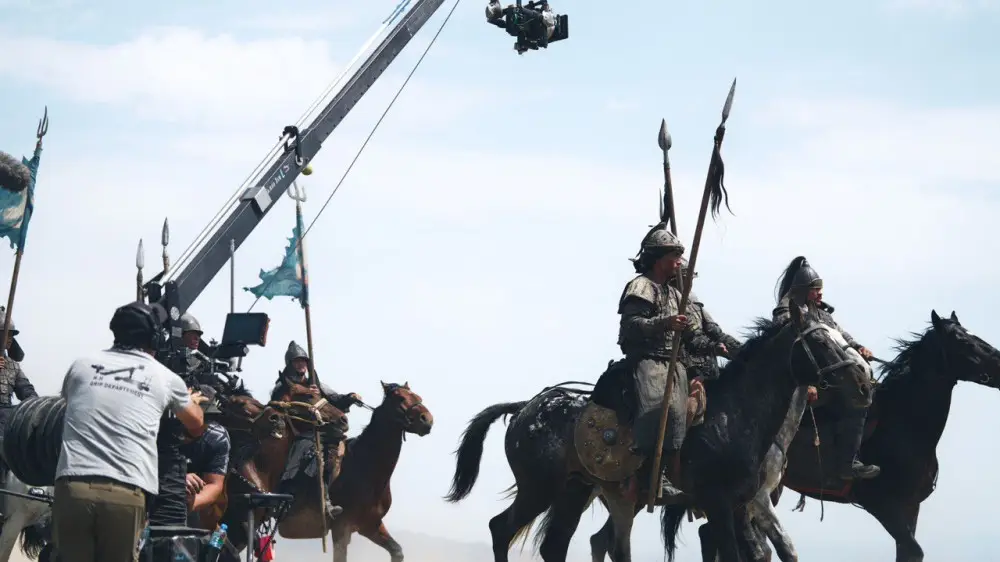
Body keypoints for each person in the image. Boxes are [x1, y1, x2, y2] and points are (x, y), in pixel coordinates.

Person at [53, 302, 208, 562]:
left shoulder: (80, 365)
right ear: (156, 339)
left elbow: (74, 404)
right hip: (125, 492)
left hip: (72, 488)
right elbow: (196, 423)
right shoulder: (166, 377)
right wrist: (190, 401)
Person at [618, 223, 707, 500]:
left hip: (674, 363)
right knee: (660, 406)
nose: (680, 262)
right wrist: (665, 323)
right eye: (675, 257)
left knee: (685, 412)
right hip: (648, 359)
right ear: (659, 260)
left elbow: (693, 335)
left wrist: (718, 347)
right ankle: (642, 474)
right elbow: (631, 325)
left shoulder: (677, 295)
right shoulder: (641, 286)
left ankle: (671, 472)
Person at [772, 256, 879, 481]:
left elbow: (840, 335)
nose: (820, 293)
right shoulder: (787, 311)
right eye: (815, 289)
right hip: (802, 379)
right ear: (803, 290)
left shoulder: (821, 312)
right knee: (855, 402)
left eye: (820, 288)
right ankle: (847, 464)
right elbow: (791, 348)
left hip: (826, 375)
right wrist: (808, 384)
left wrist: (858, 347)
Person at [271, 341, 359, 519]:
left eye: (303, 361)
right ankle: (288, 494)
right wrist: (301, 393)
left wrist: (349, 398)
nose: (301, 364)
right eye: (297, 361)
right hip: (296, 431)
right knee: (310, 453)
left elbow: (333, 398)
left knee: (334, 455)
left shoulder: (315, 383)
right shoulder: (283, 386)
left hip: (320, 428)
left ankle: (332, 498)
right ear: (290, 364)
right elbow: (276, 405)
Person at [667, 258, 741, 382]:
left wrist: (742, 351)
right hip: (683, 372)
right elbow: (692, 339)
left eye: (690, 280)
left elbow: (716, 332)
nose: (690, 284)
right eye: (686, 279)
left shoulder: (694, 303)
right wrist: (714, 347)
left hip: (709, 372)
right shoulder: (668, 304)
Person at [179, 385, 230, 527]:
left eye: (208, 418)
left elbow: (215, 484)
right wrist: (179, 478)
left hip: (189, 499)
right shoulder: (164, 429)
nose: (203, 422)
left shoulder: (216, 437)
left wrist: (191, 503)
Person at [0, 307, 38, 487]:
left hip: (4, 419)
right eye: (5, 334)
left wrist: (37, 406)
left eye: (11, 335)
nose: (9, 339)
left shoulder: (13, 366)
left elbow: (27, 392)